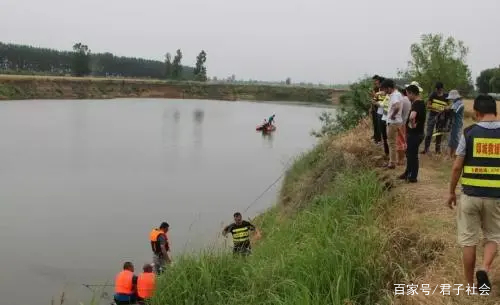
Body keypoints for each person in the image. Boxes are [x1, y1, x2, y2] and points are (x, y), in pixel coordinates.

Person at [447, 94, 500, 293]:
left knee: (469, 240)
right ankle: (484, 268)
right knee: (493, 236)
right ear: (495, 111)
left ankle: (469, 287)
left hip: (469, 196)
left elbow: (456, 167)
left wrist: (451, 192)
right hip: (495, 197)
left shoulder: (469, 133)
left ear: (476, 112)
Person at [399, 84, 426, 182]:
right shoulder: (420, 102)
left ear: (411, 93)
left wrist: (411, 123)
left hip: (415, 134)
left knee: (412, 155)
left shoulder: (417, 103)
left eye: (407, 94)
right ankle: (407, 172)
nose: (407, 97)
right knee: (409, 154)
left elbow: (412, 116)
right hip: (416, 133)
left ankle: (413, 177)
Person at [380, 79, 403, 169]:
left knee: (391, 143)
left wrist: (393, 115)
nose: (384, 91)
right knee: (394, 142)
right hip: (396, 121)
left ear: (389, 88)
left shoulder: (394, 95)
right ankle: (393, 160)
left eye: (385, 89)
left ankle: (392, 163)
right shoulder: (397, 94)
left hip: (393, 122)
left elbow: (397, 106)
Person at [422, 82, 449, 154]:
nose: (438, 91)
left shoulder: (446, 96)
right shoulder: (433, 95)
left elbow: (449, 106)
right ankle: (426, 149)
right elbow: (428, 106)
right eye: (437, 89)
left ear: (442, 89)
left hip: (441, 118)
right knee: (429, 133)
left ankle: (437, 150)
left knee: (438, 133)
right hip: (432, 116)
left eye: (439, 89)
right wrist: (438, 108)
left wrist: (446, 108)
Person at [447, 89, 464, 158]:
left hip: (457, 124)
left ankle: (456, 155)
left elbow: (453, 111)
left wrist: (447, 109)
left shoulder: (459, 103)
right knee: (452, 138)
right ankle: (450, 155)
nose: (451, 99)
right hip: (454, 123)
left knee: (456, 139)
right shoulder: (455, 103)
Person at [397, 87, 412, 165]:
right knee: (403, 141)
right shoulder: (408, 100)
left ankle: (401, 160)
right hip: (405, 122)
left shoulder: (403, 100)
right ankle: (402, 159)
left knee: (400, 142)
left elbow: (399, 111)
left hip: (401, 123)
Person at [371, 75, 383, 144]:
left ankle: (379, 139)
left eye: (375, 81)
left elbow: (379, 100)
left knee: (379, 125)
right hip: (375, 108)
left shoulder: (382, 90)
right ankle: (376, 137)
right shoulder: (375, 88)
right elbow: (373, 99)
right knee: (375, 124)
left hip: (379, 109)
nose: (374, 82)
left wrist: (374, 95)